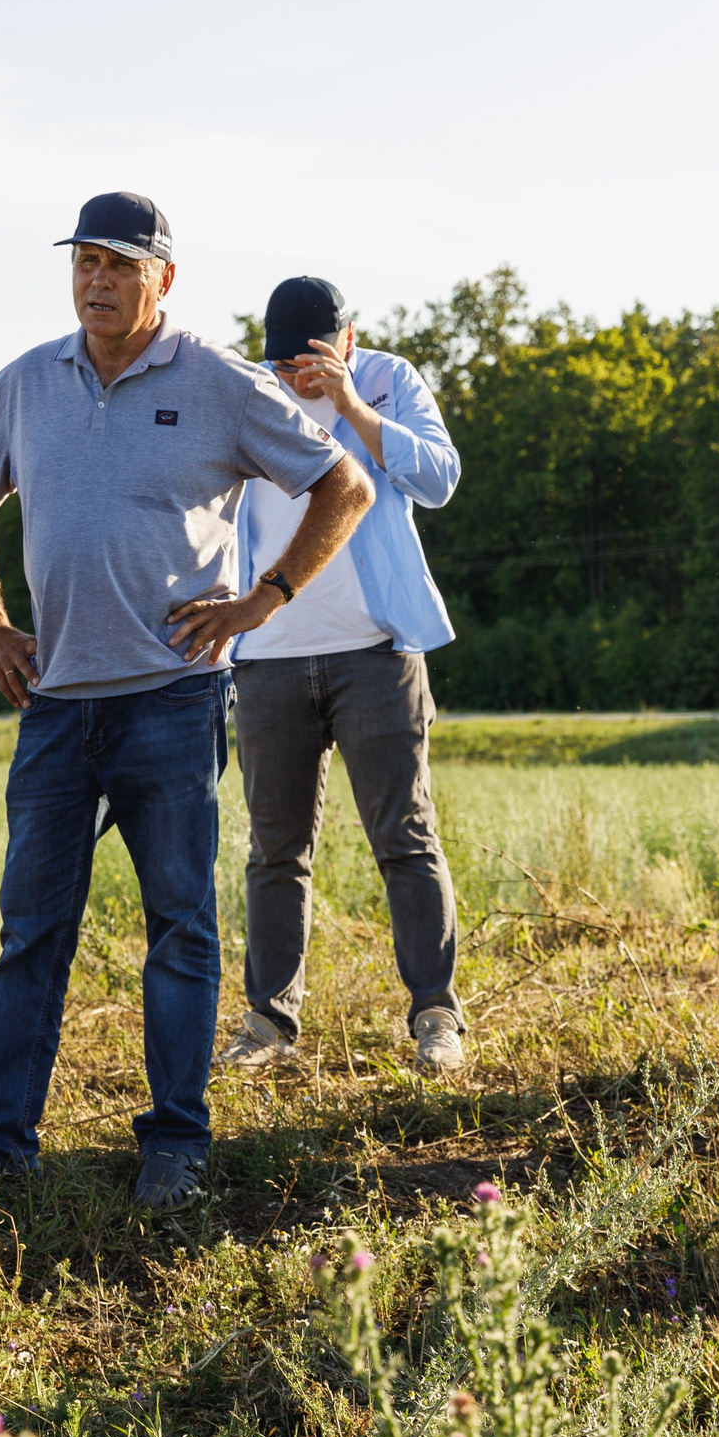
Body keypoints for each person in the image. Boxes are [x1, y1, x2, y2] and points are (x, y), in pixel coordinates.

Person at [0, 194, 374, 1210]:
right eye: (84, 262)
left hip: (173, 701)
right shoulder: (25, 383)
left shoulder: (215, 380)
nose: (96, 281)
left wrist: (264, 598)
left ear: (162, 280)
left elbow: (344, 485)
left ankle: (176, 1143)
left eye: (120, 266)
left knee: (179, 928)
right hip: (56, 706)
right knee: (29, 935)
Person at [212, 277, 466, 1079]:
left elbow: (439, 478)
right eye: (284, 360)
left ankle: (436, 1016)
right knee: (275, 851)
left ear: (347, 341)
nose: (297, 374)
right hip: (268, 656)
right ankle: (268, 1023)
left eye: (313, 358)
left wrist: (353, 406)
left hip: (377, 652)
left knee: (405, 837)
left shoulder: (389, 379)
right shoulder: (245, 390)